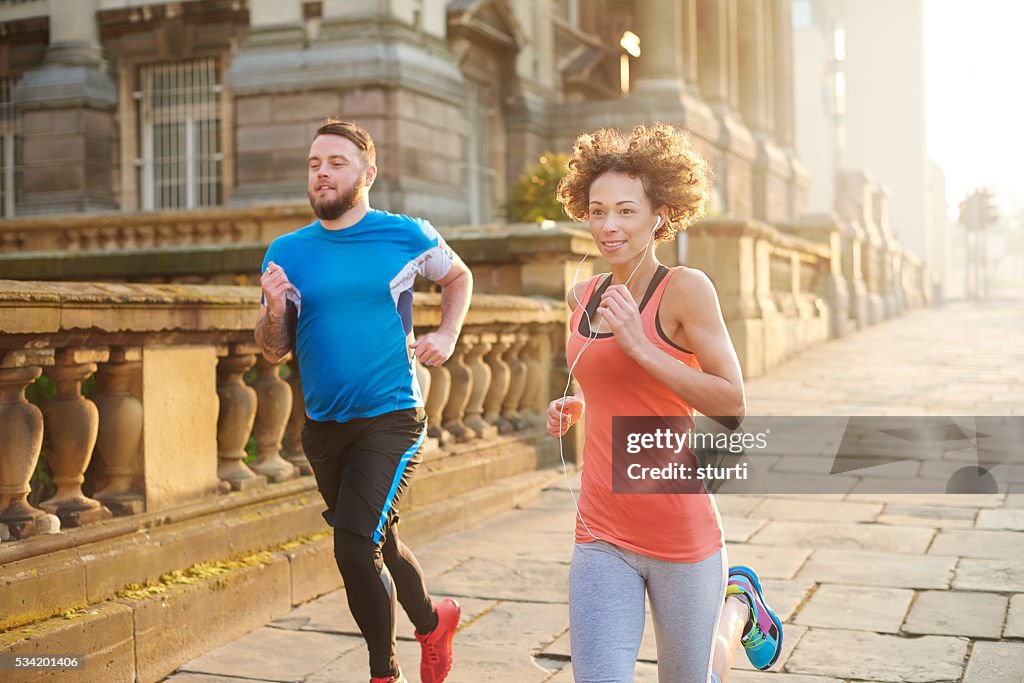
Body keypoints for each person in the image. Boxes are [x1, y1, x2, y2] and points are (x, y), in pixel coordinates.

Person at [546, 123, 784, 682]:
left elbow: (732, 405)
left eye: (626, 210)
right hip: (600, 531)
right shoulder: (582, 295)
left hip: (681, 533)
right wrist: (578, 405)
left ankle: (738, 604)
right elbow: (608, 384)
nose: (608, 225)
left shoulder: (686, 289)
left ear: (659, 214)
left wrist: (641, 348)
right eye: (597, 209)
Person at [255, 118, 472, 683]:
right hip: (324, 427)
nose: (322, 173)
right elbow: (274, 351)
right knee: (380, 541)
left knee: (353, 548)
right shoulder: (286, 252)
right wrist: (274, 311)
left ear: (367, 174)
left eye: (336, 163)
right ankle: (433, 622)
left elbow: (459, 278)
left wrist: (446, 335)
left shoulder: (407, 235)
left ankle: (385, 673)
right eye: (314, 164)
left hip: (393, 416)